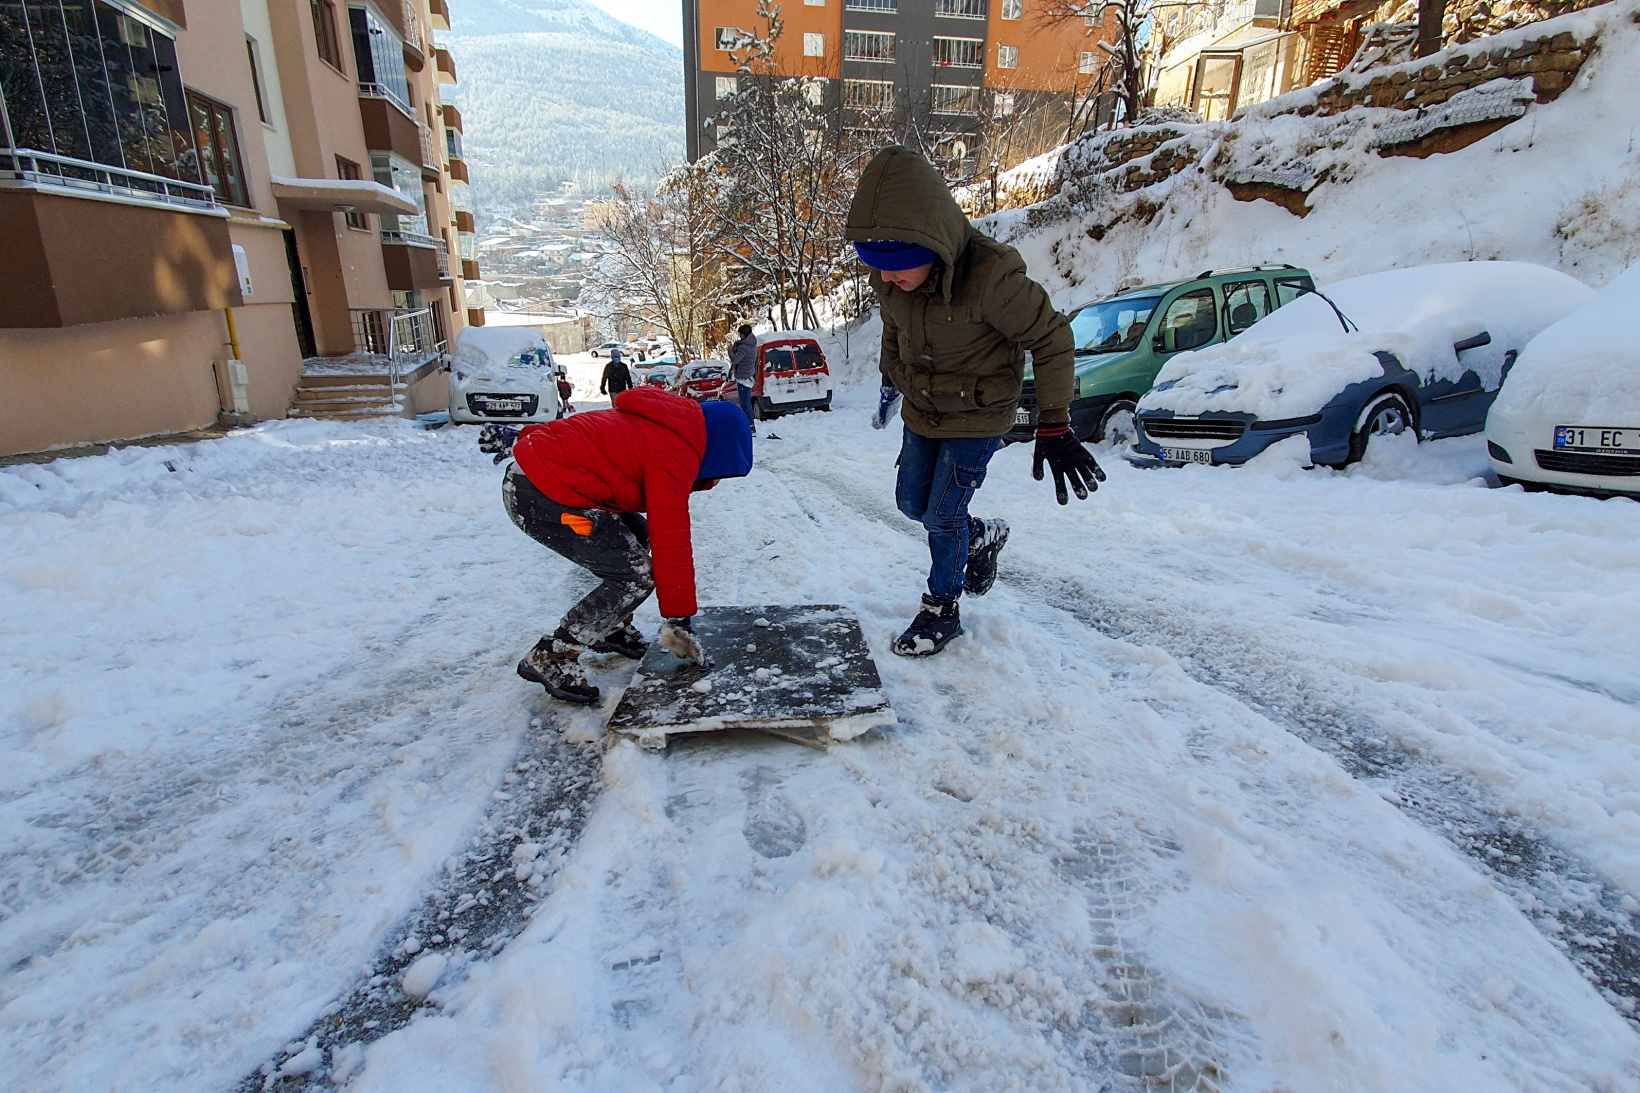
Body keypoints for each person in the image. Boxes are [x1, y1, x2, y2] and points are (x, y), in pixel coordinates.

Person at [847, 146, 1105, 657]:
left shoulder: (991, 278)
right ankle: (982, 534)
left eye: (896, 267)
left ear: (931, 244)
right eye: (877, 269)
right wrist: (889, 380)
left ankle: (941, 609)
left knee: (941, 516)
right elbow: (893, 332)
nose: (885, 279)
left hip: (978, 415)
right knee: (910, 504)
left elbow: (1052, 338)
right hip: (924, 413)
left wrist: (1055, 423)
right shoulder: (893, 282)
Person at [477, 387, 754, 705]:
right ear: (717, 451)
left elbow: (587, 436)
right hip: (541, 496)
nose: (715, 482)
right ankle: (553, 655)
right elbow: (671, 540)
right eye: (720, 473)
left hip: (536, 478)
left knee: (635, 531)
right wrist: (679, 619)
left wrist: (522, 437)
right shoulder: (676, 454)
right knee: (635, 576)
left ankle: (610, 627)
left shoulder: (669, 421)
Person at [728, 323, 758, 431]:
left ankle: (750, 425)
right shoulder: (752, 345)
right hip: (749, 375)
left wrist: (730, 350)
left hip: (743, 377)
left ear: (743, 335)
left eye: (740, 334)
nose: (739, 336)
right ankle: (749, 424)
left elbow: (735, 359)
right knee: (746, 402)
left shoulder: (744, 347)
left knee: (745, 403)